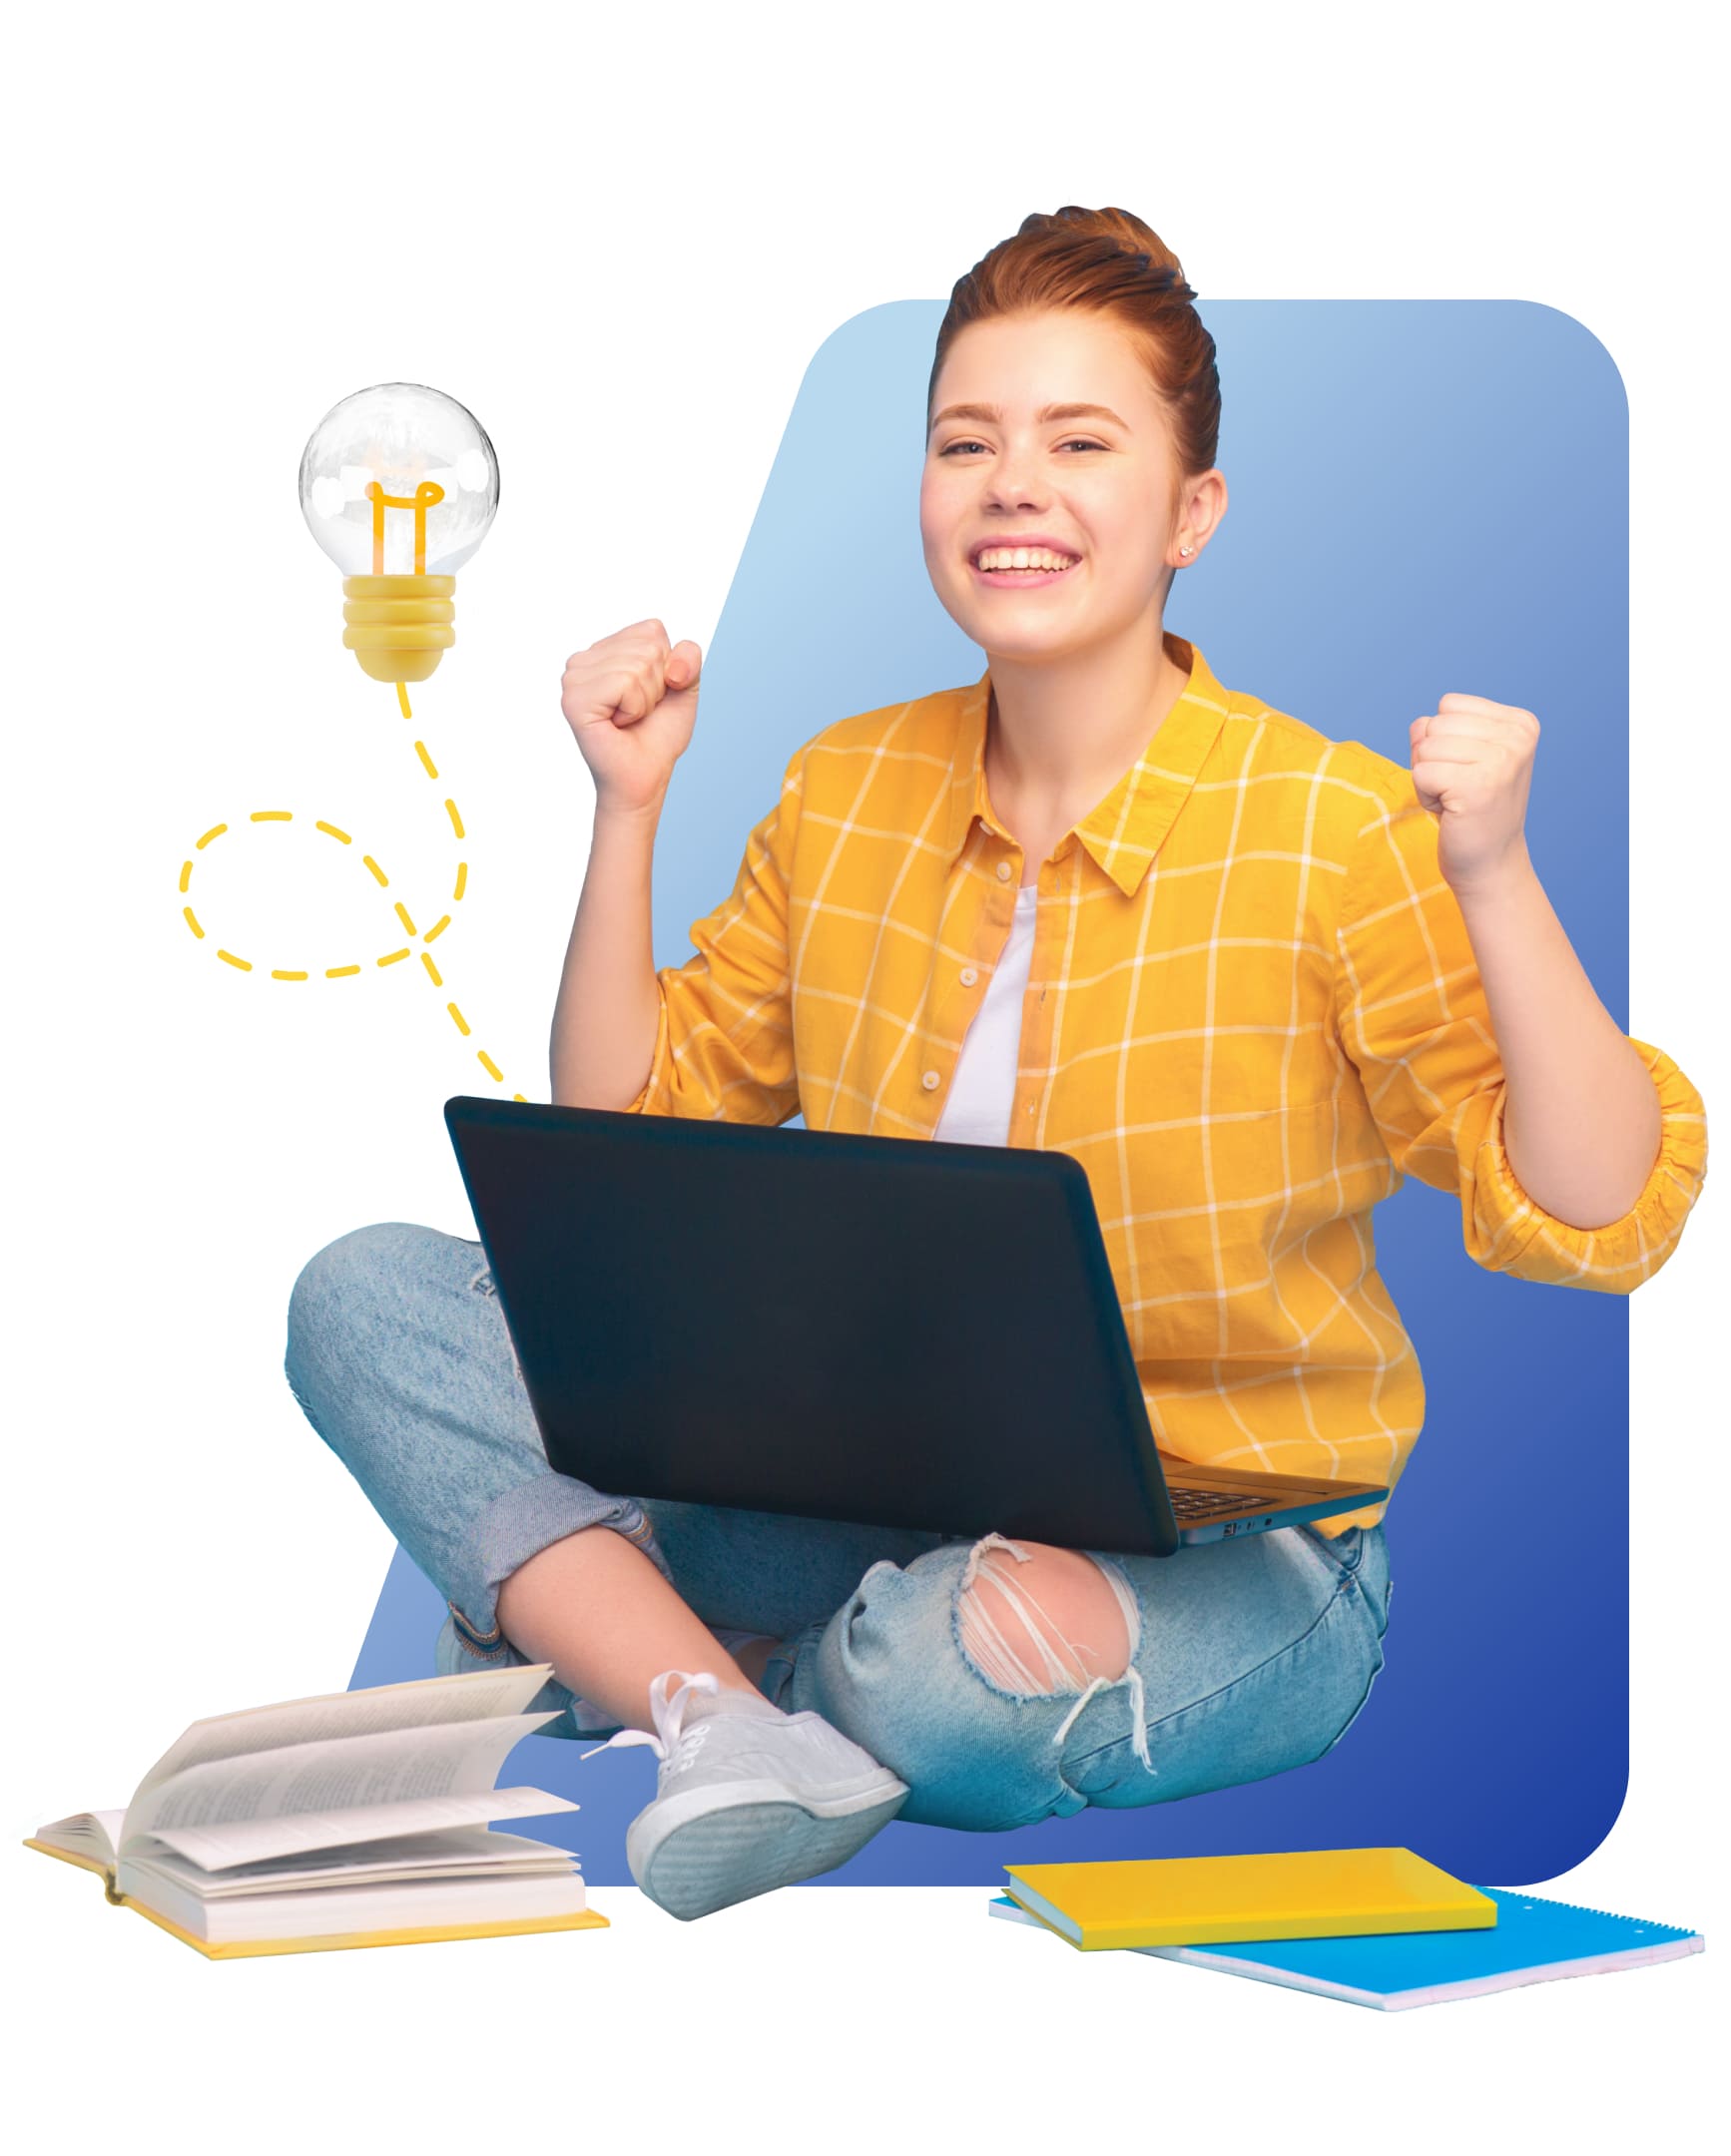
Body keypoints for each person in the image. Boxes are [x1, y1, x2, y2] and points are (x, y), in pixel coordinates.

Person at [285, 206, 1708, 1921]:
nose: (1011, 482)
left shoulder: (1329, 825)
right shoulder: (843, 786)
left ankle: (632, 1645)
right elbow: (624, 1147)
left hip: (1221, 1548)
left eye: (1078, 442)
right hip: (857, 1495)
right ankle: (721, 1709)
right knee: (368, 1294)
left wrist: (1491, 873)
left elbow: (1597, 1211)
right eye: (968, 441)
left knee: (936, 1675)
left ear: (1192, 514)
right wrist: (627, 812)